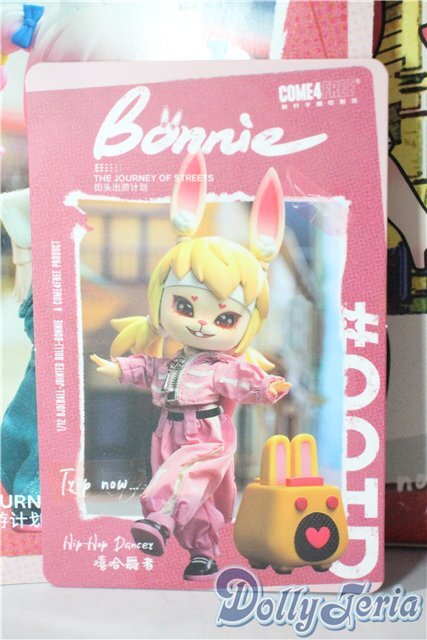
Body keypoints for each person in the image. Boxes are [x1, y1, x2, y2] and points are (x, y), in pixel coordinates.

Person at [91, 152, 291, 580]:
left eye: (225, 318)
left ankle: (159, 520)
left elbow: (243, 380)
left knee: (180, 476)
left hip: (207, 434)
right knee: (193, 493)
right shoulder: (175, 361)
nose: (202, 324)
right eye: (184, 306)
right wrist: (120, 370)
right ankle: (204, 555)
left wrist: (266, 387)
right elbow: (151, 369)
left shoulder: (221, 366)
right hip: (168, 429)